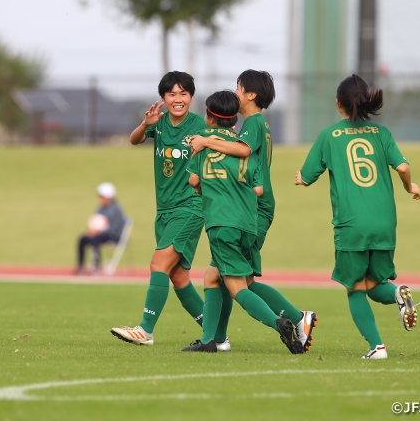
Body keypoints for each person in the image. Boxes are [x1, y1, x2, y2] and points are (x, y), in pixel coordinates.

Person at [295, 74, 420, 360]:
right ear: (366, 102)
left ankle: (376, 347)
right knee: (375, 286)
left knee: (355, 289)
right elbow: (402, 168)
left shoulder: (329, 135)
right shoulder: (382, 133)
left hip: (352, 224)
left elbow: (308, 175)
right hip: (385, 223)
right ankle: (397, 293)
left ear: (338, 103)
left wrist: (300, 179)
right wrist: (410, 186)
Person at [190, 69, 316, 353]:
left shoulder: (254, 124)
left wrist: (206, 140)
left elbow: (244, 152)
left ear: (251, 95)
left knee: (238, 282)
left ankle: (294, 318)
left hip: (250, 209)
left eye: (238, 87)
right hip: (251, 206)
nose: (235, 92)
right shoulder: (257, 124)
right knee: (221, 276)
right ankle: (216, 339)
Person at [110, 71, 206, 345]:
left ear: (191, 97)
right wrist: (145, 123)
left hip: (190, 206)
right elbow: (134, 140)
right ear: (163, 98)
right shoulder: (159, 123)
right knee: (178, 277)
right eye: (172, 94)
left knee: (158, 264)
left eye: (183, 93)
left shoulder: (201, 124)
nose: (178, 99)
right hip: (163, 210)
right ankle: (216, 335)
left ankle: (145, 330)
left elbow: (226, 142)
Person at [76, 182, 126, 274]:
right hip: (99, 233)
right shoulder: (100, 208)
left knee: (95, 239)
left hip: (113, 235)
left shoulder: (116, 209)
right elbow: (96, 221)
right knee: (82, 239)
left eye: (102, 196)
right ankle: (80, 266)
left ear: (108, 197)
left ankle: (96, 266)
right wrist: (91, 230)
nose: (100, 199)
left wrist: (100, 231)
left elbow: (116, 227)